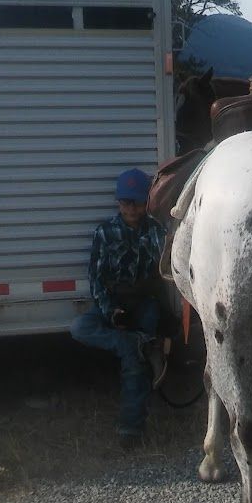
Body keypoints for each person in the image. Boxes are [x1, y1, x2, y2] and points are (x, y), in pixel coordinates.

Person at [70, 168, 169, 445]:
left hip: (144, 302)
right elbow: (96, 278)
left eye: (136, 203)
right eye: (125, 202)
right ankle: (136, 342)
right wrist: (110, 311)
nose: (131, 209)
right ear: (118, 202)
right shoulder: (105, 232)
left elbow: (165, 266)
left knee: (134, 364)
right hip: (114, 303)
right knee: (80, 327)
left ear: (145, 203)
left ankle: (131, 427)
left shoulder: (156, 231)